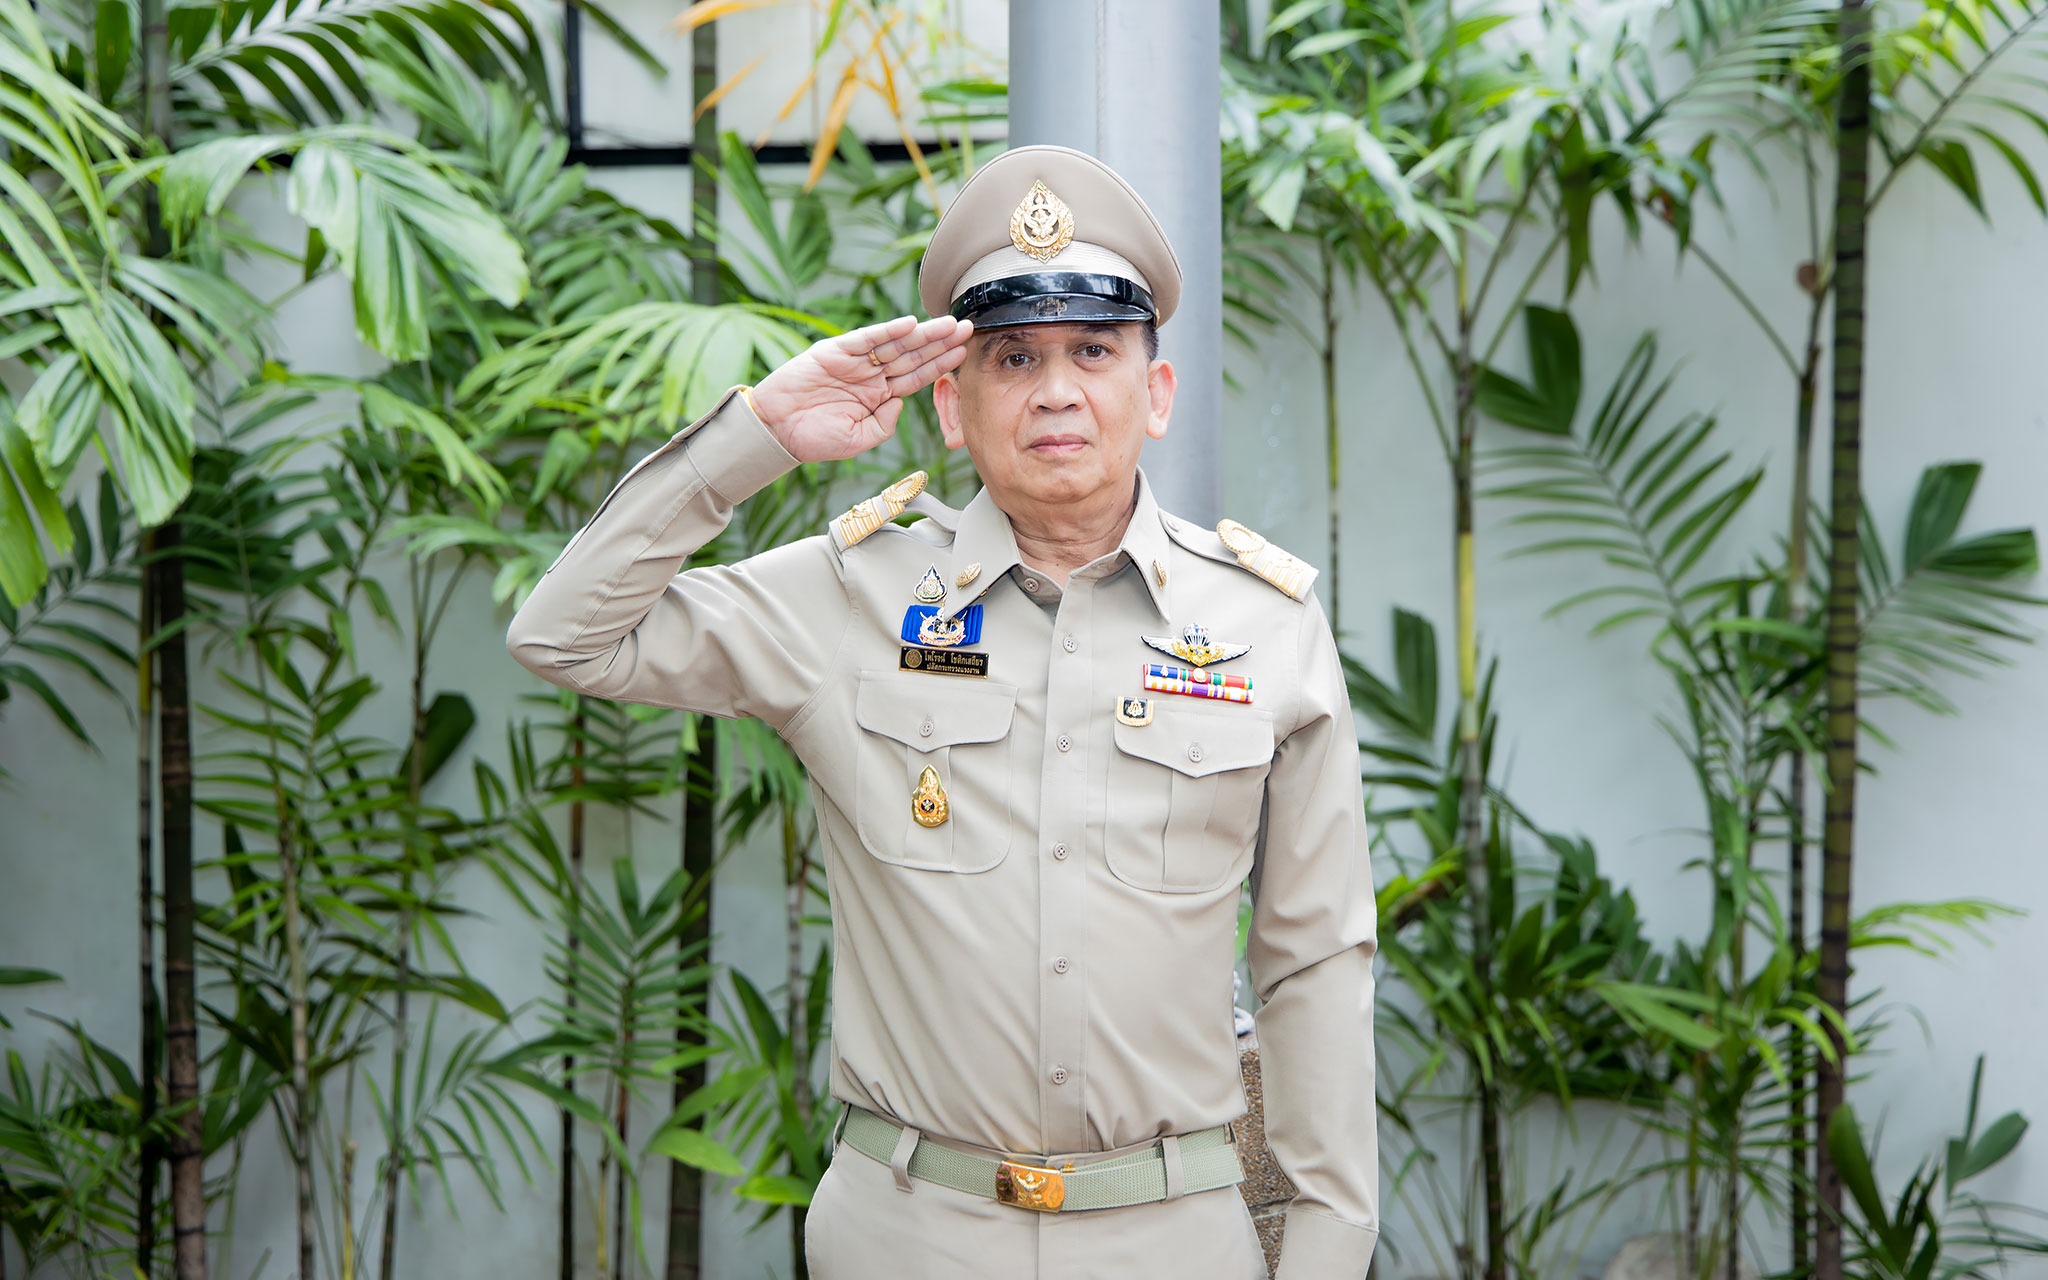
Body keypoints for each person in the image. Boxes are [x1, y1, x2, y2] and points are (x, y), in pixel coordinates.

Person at [507, 144, 1378, 1279]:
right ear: (951, 406)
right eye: (1012, 356)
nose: (1056, 390)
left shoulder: (1262, 621)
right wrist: (756, 435)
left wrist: (1325, 1250)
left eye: (1094, 350)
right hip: (909, 1232)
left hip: (1172, 1238)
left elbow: (1315, 960)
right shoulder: (849, 594)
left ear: (1156, 393)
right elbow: (564, 634)